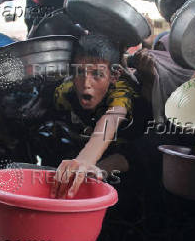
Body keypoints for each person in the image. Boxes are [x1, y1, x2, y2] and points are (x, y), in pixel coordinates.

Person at [49, 35, 140, 199]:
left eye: (97, 74)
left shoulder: (121, 91)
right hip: (83, 141)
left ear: (114, 76)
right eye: (80, 73)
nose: (86, 83)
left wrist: (85, 160)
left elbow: (112, 119)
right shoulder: (63, 93)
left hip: (125, 152)